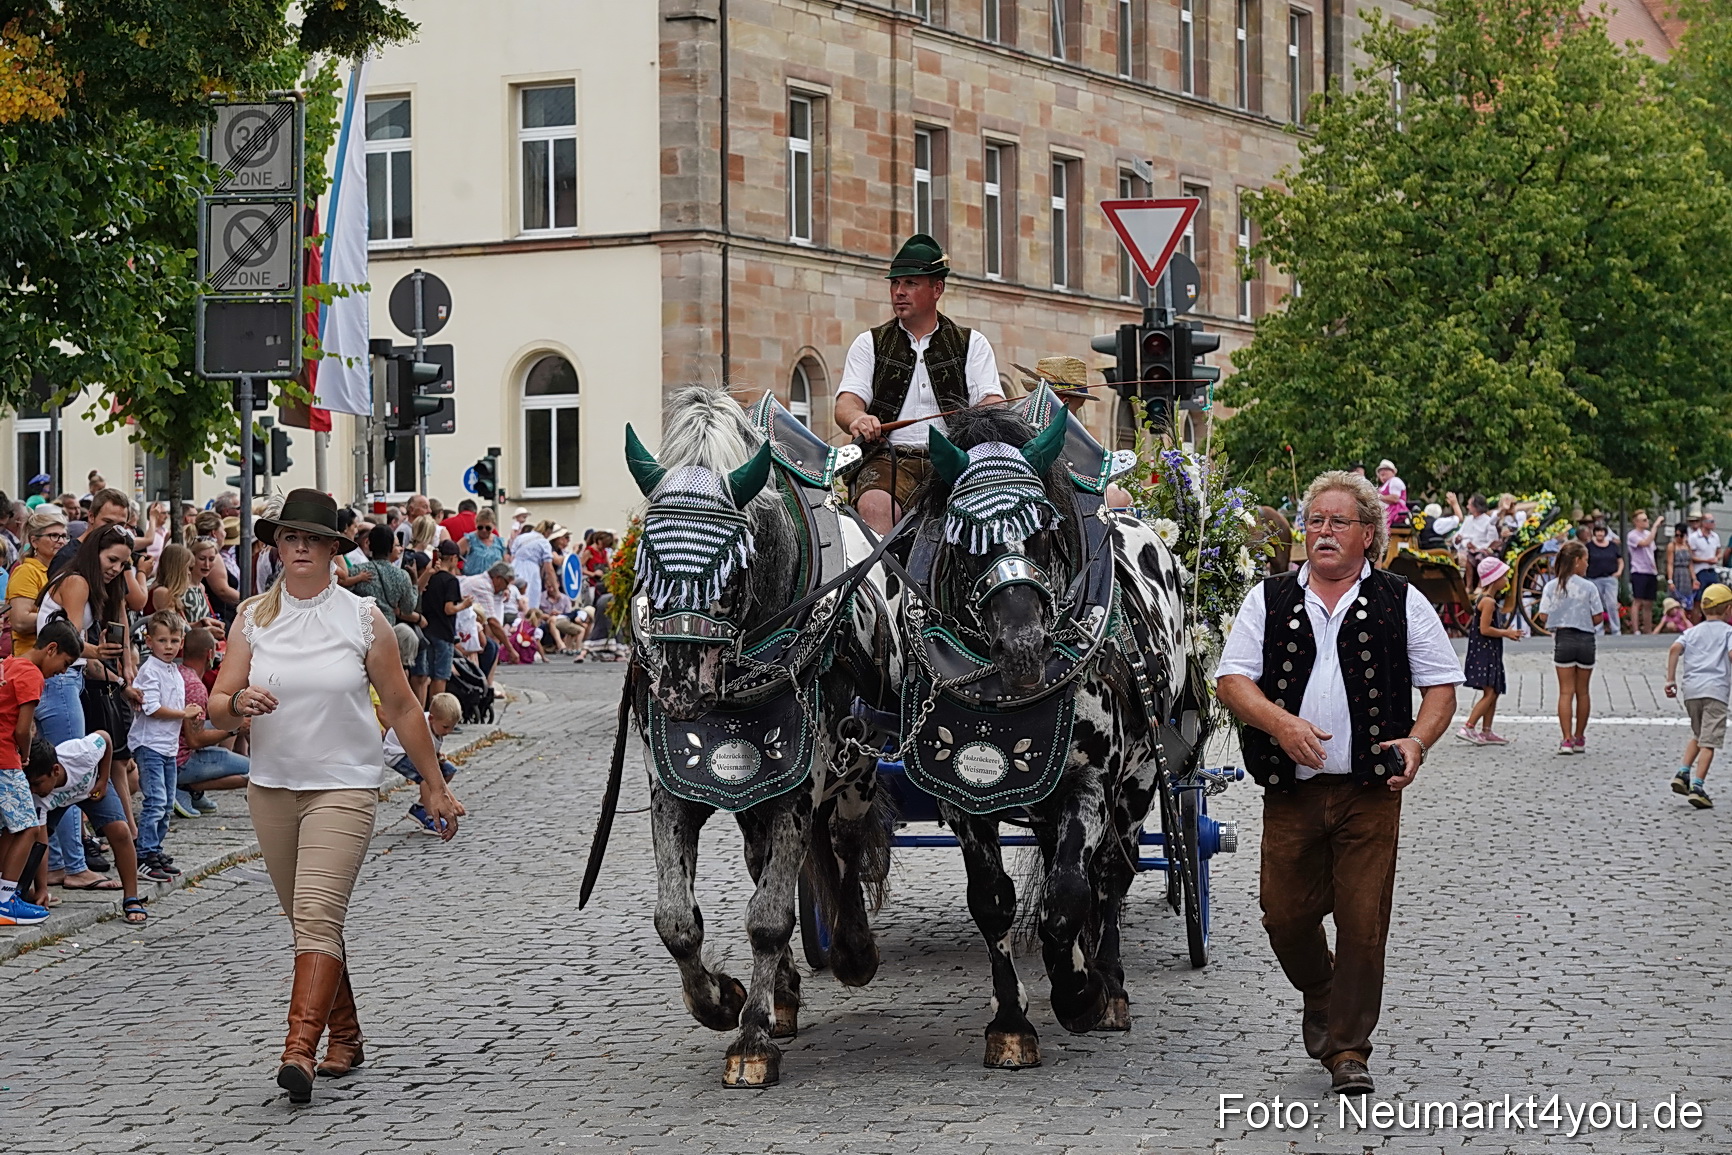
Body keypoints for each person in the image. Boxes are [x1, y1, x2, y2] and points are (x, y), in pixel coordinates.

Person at [206, 488, 462, 1103]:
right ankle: (345, 1034)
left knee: (318, 917)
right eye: (288, 537)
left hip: (345, 785)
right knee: (307, 922)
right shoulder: (251, 619)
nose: (299, 547)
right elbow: (216, 703)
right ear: (275, 547)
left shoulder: (362, 618)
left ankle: (299, 1051)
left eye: (312, 538)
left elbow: (402, 705)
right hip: (270, 788)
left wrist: (433, 784)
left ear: (331, 549)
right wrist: (238, 704)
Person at [1215, 470, 1462, 1096]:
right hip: (1291, 789)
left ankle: (1349, 1047)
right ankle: (1322, 991)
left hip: (1371, 791)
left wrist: (1417, 741)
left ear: (1369, 535)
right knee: (1283, 917)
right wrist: (1280, 723)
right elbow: (1233, 680)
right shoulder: (1266, 599)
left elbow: (1440, 687)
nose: (1324, 532)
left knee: (1361, 923)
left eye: (1339, 522)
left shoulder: (1401, 599)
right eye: (1316, 521)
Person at [834, 233, 1004, 533]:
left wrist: (993, 414)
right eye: (895, 283)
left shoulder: (971, 344)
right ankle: (884, 581)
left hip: (954, 461)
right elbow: (846, 403)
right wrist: (859, 419)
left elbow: (990, 403)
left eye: (910, 283)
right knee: (874, 505)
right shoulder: (869, 343)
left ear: (937, 289)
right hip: (887, 460)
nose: (899, 291)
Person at [38, 523, 141, 888]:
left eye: (122, 564)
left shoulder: (86, 581)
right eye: (111, 559)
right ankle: (73, 866)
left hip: (69, 679)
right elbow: (65, 639)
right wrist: (99, 652)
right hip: (62, 680)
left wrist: (113, 671)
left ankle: (59, 864)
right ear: (95, 551)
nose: (115, 568)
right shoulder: (77, 581)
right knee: (70, 774)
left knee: (65, 773)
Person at [0, 621, 83, 924]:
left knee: (9, 827)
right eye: (65, 663)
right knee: (29, 827)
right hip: (6, 758)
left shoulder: (9, 664)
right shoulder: (32, 675)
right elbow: (23, 728)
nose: (62, 671)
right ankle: (6, 899)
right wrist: (24, 753)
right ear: (51, 649)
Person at [29, 728, 147, 925]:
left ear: (55, 771)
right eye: (30, 785)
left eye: (37, 783)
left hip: (92, 788)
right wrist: (42, 889)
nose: (34, 790)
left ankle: (132, 898)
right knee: (30, 841)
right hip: (57, 802)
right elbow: (42, 845)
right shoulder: (39, 797)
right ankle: (27, 892)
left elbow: (106, 738)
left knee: (120, 831)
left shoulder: (81, 753)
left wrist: (102, 779)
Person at [130, 610, 198, 874]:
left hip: (168, 746)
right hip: (150, 744)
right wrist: (184, 713)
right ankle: (144, 854)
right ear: (149, 642)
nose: (169, 647)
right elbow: (153, 708)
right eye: (162, 641)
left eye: (174, 640)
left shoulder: (174, 671)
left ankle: (155, 848)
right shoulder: (150, 671)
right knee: (155, 800)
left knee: (167, 802)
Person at [1534, 541, 1607, 756]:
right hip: (1586, 639)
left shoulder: (1551, 586)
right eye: (1585, 560)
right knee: (1583, 691)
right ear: (1577, 561)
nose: (1587, 564)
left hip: (1563, 639)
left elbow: (1544, 616)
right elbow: (1597, 617)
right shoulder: (1589, 587)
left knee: (1565, 691)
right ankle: (1580, 737)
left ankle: (1566, 739)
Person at [1664, 583, 1730, 811]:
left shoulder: (1692, 631)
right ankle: (1698, 787)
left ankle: (1683, 772)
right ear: (1729, 609)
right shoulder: (1728, 632)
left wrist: (1670, 679)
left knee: (1698, 734)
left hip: (1691, 691)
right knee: (1709, 742)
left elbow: (1674, 649)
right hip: (1715, 691)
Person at [174, 626, 248, 817]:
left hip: (173, 749)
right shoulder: (196, 687)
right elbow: (195, 741)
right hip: (181, 761)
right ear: (210, 654)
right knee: (254, 771)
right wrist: (234, 730)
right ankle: (186, 787)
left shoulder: (180, 673)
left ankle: (191, 791)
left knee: (221, 720)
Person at [1458, 557, 1521, 745]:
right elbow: (1485, 629)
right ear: (1495, 579)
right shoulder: (1488, 602)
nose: (1507, 580)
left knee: (1493, 690)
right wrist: (1507, 633)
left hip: (1489, 650)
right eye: (1504, 577)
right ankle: (1468, 726)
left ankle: (1487, 730)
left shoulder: (1486, 600)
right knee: (1490, 693)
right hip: (1485, 651)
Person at [383, 692, 463, 834]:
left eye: (452, 727)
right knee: (428, 781)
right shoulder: (423, 729)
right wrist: (453, 801)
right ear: (432, 718)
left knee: (448, 771)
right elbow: (427, 767)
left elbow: (432, 754)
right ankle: (430, 818)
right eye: (445, 727)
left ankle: (419, 807)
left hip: (415, 752)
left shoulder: (435, 727)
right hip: (397, 753)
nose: (449, 731)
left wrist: (439, 757)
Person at [357, 525, 424, 670]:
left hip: (360, 633)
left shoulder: (357, 571)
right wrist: (414, 583)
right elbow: (408, 608)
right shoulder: (401, 576)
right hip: (387, 633)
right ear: (390, 548)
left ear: (369, 544)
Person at [414, 540, 471, 706]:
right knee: (441, 675)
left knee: (428, 674)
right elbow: (449, 608)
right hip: (443, 632)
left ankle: (427, 711)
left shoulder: (430, 577)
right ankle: (438, 712)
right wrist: (464, 605)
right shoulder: (451, 581)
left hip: (427, 630)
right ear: (453, 558)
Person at [9, 508, 69, 655]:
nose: (61, 541)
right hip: (33, 660)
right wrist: (65, 617)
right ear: (34, 541)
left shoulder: (61, 572)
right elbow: (20, 621)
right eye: (54, 536)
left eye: (64, 536)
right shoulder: (27, 571)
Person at [150, 542, 224, 640]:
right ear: (177, 569)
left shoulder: (170, 592)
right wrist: (205, 631)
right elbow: (173, 630)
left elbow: (183, 626)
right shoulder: (162, 592)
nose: (189, 573)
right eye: (189, 568)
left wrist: (201, 623)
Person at [1583, 522, 1623, 636]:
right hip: (1594, 579)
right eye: (1598, 531)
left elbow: (1620, 560)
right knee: (1596, 604)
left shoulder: (1612, 546)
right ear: (1594, 532)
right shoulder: (1589, 546)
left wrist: (1619, 572)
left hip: (1610, 578)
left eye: (1602, 531)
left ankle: (1616, 629)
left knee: (1612, 604)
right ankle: (1598, 629)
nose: (1600, 533)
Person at [509, 520, 555, 612]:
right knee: (531, 598)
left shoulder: (520, 538)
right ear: (547, 532)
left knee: (515, 596)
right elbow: (549, 568)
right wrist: (555, 589)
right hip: (531, 570)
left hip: (515, 567)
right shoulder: (544, 542)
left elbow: (512, 556)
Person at [1627, 510, 1658, 634]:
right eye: (1644, 520)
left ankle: (1647, 629)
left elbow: (1652, 551)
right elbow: (1645, 543)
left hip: (1650, 571)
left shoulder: (1648, 533)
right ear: (1636, 522)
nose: (1647, 522)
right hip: (1639, 570)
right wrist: (1655, 526)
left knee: (1649, 602)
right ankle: (1636, 629)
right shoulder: (1632, 535)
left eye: (1647, 519)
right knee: (1638, 600)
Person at [1687, 513, 1723, 615]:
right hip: (1700, 570)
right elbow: (1690, 557)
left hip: (1712, 569)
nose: (1713, 524)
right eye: (1711, 521)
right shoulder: (1694, 537)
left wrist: (1716, 558)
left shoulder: (1715, 536)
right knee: (1698, 599)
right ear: (1704, 523)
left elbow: (1719, 551)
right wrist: (1705, 560)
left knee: (1714, 598)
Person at [459, 508, 508, 577]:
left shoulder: (499, 542)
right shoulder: (469, 539)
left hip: (494, 583)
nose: (484, 530)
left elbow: (505, 565)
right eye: (480, 527)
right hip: (473, 581)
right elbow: (452, 556)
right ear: (476, 524)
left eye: (488, 528)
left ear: (494, 526)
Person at [1373, 459, 1406, 528]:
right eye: (1380, 470)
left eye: (1385, 470)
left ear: (1392, 472)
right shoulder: (1383, 486)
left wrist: (1378, 496)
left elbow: (1395, 499)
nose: (1382, 472)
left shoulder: (1394, 481)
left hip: (1394, 513)